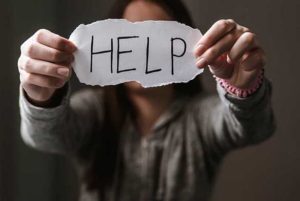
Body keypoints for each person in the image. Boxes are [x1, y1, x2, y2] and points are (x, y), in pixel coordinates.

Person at [18, 0, 275, 200]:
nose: (141, 53)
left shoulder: (201, 116)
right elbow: (45, 136)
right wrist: (41, 95)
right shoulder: (94, 110)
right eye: (129, 36)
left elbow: (254, 128)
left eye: (154, 37)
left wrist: (243, 89)